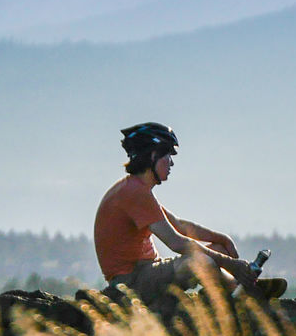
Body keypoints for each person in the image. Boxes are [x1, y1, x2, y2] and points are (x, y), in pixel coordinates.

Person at [93, 122, 285, 304]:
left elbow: (179, 225)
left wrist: (222, 239)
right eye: (168, 156)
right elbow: (177, 242)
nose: (171, 164)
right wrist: (232, 265)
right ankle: (240, 292)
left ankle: (233, 288)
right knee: (201, 262)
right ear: (152, 156)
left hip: (146, 272)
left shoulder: (135, 190)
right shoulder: (135, 193)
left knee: (217, 250)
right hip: (131, 281)